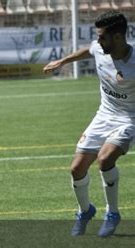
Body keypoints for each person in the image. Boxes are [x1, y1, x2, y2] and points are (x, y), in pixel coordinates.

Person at [43, 11, 133, 237]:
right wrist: (62, 61)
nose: (99, 42)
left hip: (129, 118)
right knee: (76, 169)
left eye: (103, 37)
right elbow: (88, 50)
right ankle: (85, 211)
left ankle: (112, 213)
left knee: (105, 159)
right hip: (103, 115)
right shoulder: (100, 49)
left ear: (119, 37)